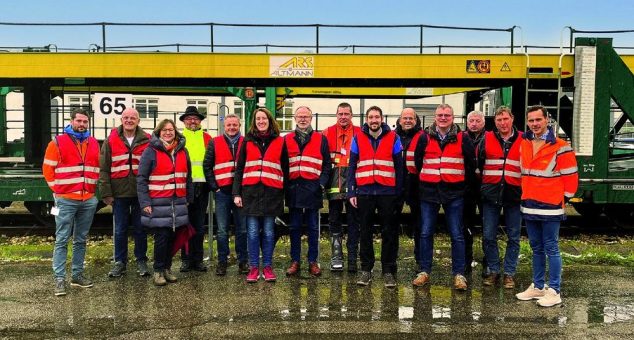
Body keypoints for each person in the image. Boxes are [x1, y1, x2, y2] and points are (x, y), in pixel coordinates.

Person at [515, 105, 578, 307]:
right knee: (536, 248)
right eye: (531, 120)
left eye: (538, 120)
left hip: (550, 205)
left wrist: (562, 198)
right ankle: (538, 286)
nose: (535, 124)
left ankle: (555, 290)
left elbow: (571, 178)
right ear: (527, 122)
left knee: (551, 247)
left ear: (547, 120)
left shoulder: (560, 146)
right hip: (530, 204)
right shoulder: (524, 143)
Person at [412, 104, 476, 291]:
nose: (443, 118)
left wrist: (464, 187)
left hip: (454, 192)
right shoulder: (424, 137)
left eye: (447, 115)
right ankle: (424, 271)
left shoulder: (463, 138)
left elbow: (470, 165)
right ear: (435, 117)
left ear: (453, 117)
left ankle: (459, 274)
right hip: (429, 192)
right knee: (425, 232)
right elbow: (418, 163)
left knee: (457, 234)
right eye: (440, 115)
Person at [43, 108, 100, 296]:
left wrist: (92, 193)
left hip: (88, 200)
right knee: (61, 239)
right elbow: (48, 170)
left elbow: (96, 168)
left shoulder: (93, 143)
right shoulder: (57, 142)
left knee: (81, 240)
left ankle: (77, 275)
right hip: (65, 200)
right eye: (79, 121)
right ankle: (59, 278)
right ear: (71, 121)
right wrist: (58, 192)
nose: (82, 124)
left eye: (85, 121)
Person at [348, 105, 403, 287]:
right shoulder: (357, 138)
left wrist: (398, 193)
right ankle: (366, 269)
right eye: (370, 117)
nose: (374, 120)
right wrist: (351, 191)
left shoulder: (394, 138)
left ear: (381, 119)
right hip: (364, 192)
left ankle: (388, 270)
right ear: (366, 120)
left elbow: (399, 168)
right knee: (365, 231)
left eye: (376, 117)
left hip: (387, 192)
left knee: (389, 232)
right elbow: (352, 166)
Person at [233, 108, 287, 283]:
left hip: (272, 194)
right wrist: (236, 193)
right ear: (254, 122)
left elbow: (285, 169)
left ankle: (268, 267)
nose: (261, 121)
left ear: (270, 121)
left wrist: (283, 192)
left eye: (264, 118)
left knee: (270, 233)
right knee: (253, 233)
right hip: (251, 194)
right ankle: (254, 267)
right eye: (258, 119)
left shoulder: (280, 141)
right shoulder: (247, 141)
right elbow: (239, 168)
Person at [137, 119, 193, 286]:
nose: (168, 133)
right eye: (165, 130)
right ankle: (158, 270)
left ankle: (167, 268)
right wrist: (145, 202)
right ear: (158, 132)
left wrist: (188, 198)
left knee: (173, 237)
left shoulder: (183, 151)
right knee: (162, 237)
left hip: (178, 201)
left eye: (171, 130)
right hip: (158, 201)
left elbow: (187, 177)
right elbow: (141, 178)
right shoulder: (150, 151)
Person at [99, 108, 151, 278]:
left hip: (140, 193)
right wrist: (106, 192)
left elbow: (154, 167)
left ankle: (141, 260)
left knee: (141, 229)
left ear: (138, 120)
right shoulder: (111, 140)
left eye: (133, 118)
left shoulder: (148, 140)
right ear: (121, 119)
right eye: (126, 118)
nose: (129, 120)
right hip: (119, 193)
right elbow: (104, 168)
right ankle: (119, 262)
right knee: (120, 230)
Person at [478, 106, 523, 288]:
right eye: (499, 120)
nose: (502, 123)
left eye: (505, 119)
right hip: (491, 194)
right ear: (495, 122)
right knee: (488, 236)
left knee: (514, 237)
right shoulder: (486, 139)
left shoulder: (523, 139)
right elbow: (479, 164)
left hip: (514, 194)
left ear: (512, 119)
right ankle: (494, 270)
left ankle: (509, 274)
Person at [284, 106, 331, 277]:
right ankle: (295, 261)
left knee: (313, 227)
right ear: (295, 118)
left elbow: (327, 164)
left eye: (306, 116)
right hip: (294, 188)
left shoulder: (321, 139)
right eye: (300, 116)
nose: (303, 119)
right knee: (294, 227)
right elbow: (282, 164)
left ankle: (313, 261)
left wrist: (321, 184)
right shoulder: (287, 139)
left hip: (313, 188)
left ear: (311, 118)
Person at [202, 113, 249, 276]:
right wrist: (214, 187)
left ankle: (243, 262)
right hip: (222, 193)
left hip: (241, 193)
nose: (231, 127)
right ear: (224, 126)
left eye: (234, 125)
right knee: (222, 230)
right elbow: (207, 165)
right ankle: (222, 261)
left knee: (242, 229)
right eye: (229, 125)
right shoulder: (214, 142)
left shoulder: (247, 142)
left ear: (239, 125)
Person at [322, 102, 362, 272]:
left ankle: (352, 258)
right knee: (334, 220)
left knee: (355, 221)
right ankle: (336, 256)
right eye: (340, 114)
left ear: (351, 115)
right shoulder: (327, 132)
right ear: (336, 115)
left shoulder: (360, 133)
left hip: (355, 184)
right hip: (334, 184)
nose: (343, 117)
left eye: (346, 114)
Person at [179, 106, 212, 272]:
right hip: (183, 187)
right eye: (189, 118)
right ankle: (185, 260)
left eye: (195, 118)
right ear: (184, 121)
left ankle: (198, 259)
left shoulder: (208, 138)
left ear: (200, 121)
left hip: (202, 187)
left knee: (199, 226)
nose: (192, 121)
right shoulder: (179, 138)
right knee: (184, 225)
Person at [394, 107, 424, 270]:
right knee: (391, 224)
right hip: (396, 185)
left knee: (420, 225)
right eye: (404, 118)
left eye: (411, 118)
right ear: (399, 120)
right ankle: (391, 260)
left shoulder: (423, 137)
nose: (407, 121)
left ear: (416, 120)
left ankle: (420, 260)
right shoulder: (392, 137)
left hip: (416, 185)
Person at [463, 110, 486, 274]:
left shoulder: (491, 138)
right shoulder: (461, 138)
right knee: (466, 227)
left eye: (477, 120)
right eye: (471, 120)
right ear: (467, 122)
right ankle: (466, 261)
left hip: (486, 188)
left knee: (488, 228)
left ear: (483, 122)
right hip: (467, 188)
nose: (474, 123)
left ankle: (488, 264)